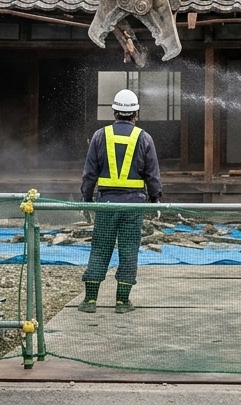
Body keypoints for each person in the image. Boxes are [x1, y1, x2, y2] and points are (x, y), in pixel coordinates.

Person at [79, 88, 163, 313]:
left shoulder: (100, 136)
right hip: (133, 206)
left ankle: (89, 301)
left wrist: (86, 199)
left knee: (100, 249)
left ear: (114, 112)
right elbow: (152, 175)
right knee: (128, 251)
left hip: (106, 204)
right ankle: (122, 302)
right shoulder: (144, 138)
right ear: (136, 114)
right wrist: (155, 199)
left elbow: (89, 173)